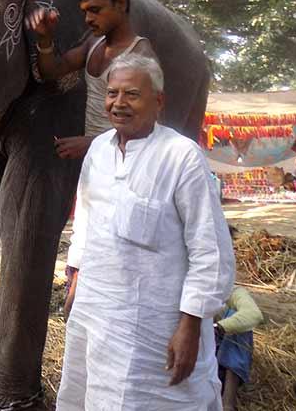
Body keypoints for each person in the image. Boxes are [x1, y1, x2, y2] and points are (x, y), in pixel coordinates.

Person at [57, 54, 235, 410]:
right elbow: (87, 221)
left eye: (132, 95)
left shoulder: (181, 156)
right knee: (92, 392)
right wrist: (75, 278)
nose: (118, 104)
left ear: (159, 101)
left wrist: (190, 326)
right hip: (97, 311)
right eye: (112, 93)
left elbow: (210, 249)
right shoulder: (99, 152)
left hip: (158, 323)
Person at [26, 0, 157, 159]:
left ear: (121, 3)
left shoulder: (140, 55)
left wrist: (91, 143)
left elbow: (147, 127)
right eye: (85, 12)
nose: (88, 19)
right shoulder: (93, 44)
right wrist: (45, 38)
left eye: (95, 10)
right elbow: (51, 71)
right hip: (99, 162)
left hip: (129, 167)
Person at [215, 285, 264, 411]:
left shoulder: (233, 292)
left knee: (236, 318)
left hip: (220, 361)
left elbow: (254, 315)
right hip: (193, 358)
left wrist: (218, 328)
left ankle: (228, 402)